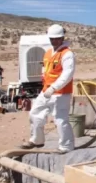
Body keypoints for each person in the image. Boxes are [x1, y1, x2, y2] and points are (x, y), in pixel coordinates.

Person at [21, 24, 76, 152]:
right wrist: (46, 87)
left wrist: (54, 87)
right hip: (46, 91)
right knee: (35, 113)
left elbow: (68, 73)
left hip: (61, 93)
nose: (54, 41)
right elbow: (46, 71)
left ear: (62, 38)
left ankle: (66, 146)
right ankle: (37, 140)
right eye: (52, 38)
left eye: (57, 38)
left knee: (60, 119)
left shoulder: (67, 54)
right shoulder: (48, 53)